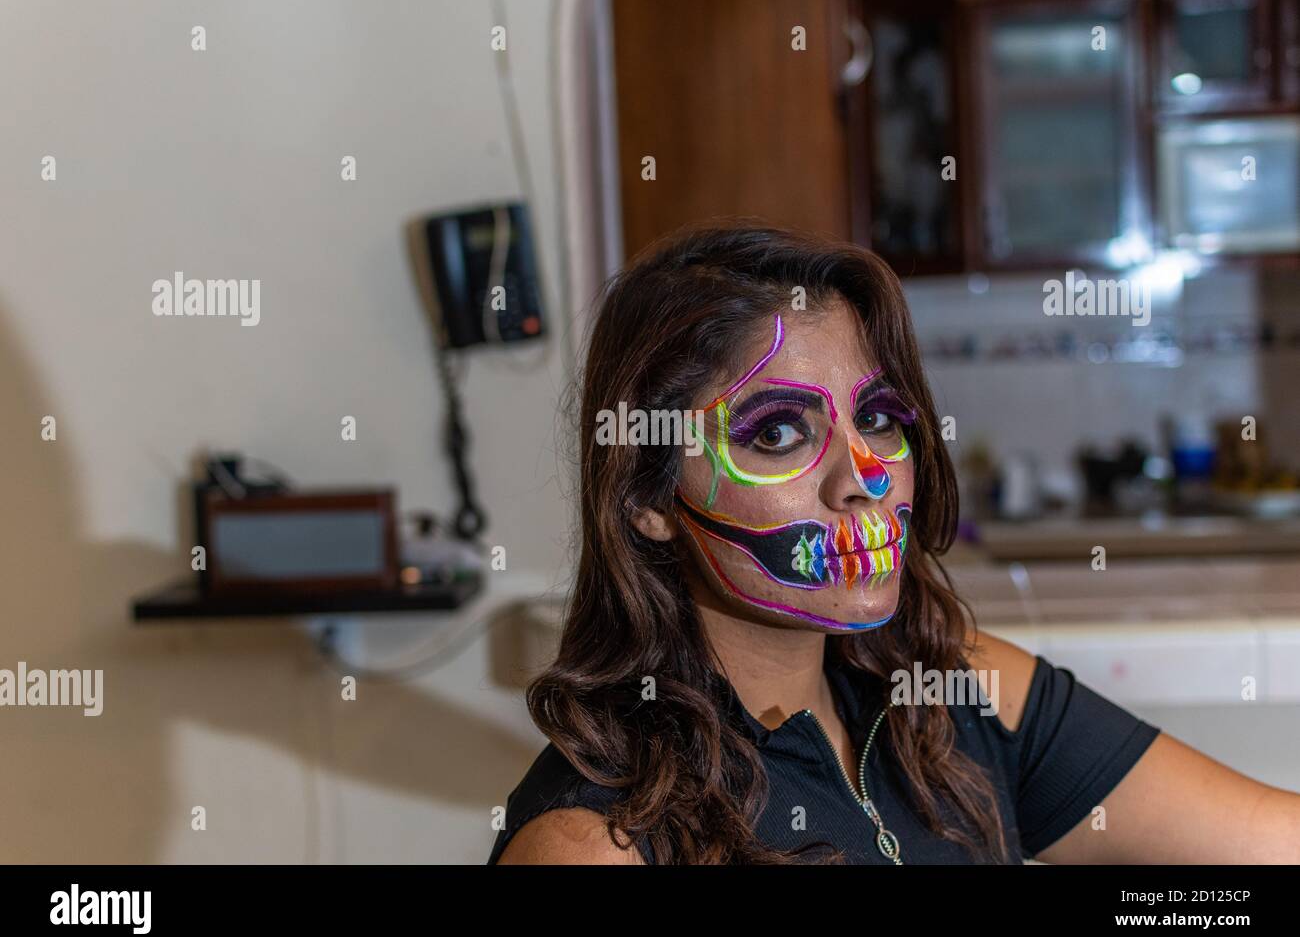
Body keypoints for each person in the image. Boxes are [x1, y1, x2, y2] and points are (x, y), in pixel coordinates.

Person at [490, 224, 1300, 864]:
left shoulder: (958, 699)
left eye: (878, 419)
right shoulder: (599, 841)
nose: (866, 478)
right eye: (778, 433)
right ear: (647, 496)